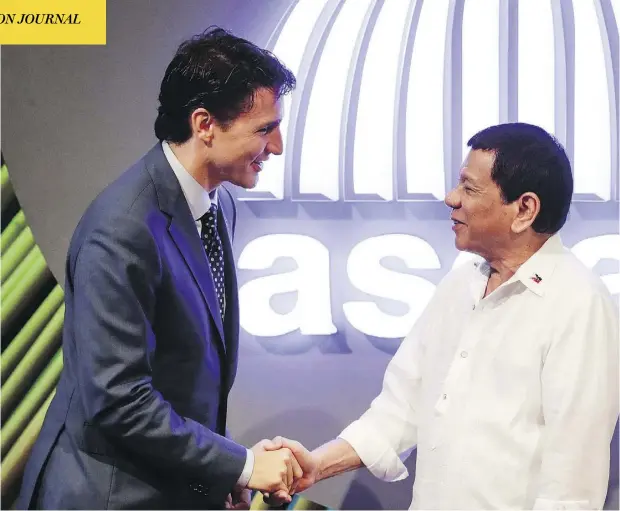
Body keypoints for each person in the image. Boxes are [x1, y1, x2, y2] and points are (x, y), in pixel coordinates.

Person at [17, 27, 303, 510]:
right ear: (205, 124)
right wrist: (244, 465)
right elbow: (119, 401)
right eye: (263, 129)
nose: (275, 146)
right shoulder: (122, 229)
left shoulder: (217, 207)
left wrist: (221, 468)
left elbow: (185, 378)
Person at [267, 123, 619, 509]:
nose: (452, 198)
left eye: (469, 188)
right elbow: (399, 410)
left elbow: (571, 487)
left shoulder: (580, 304)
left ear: (524, 209)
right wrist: (316, 465)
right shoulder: (460, 283)